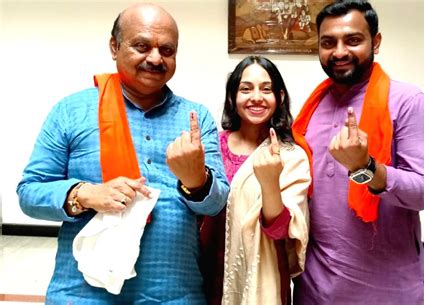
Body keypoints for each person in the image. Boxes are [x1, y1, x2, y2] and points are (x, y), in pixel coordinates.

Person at [16, 3, 229, 304]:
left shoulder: (195, 118)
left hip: (173, 292)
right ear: (114, 47)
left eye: (167, 50)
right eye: (142, 46)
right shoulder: (71, 111)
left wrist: (196, 179)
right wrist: (84, 194)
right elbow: (29, 192)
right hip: (82, 293)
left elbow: (216, 204)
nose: (155, 58)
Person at [291, 1, 424, 304]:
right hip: (315, 290)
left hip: (388, 291)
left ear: (377, 41)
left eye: (353, 40)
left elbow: (423, 191)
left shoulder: (408, 102)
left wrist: (366, 167)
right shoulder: (312, 109)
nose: (340, 51)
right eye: (328, 42)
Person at [199, 56, 311, 305]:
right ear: (232, 97)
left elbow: (283, 231)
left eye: (266, 89)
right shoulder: (213, 146)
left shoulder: (292, 157)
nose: (256, 97)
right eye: (246, 89)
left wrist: (270, 183)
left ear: (280, 97)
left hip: (262, 278)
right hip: (206, 272)